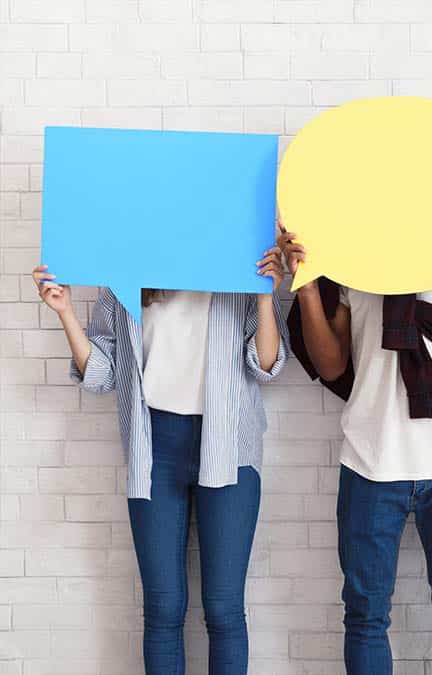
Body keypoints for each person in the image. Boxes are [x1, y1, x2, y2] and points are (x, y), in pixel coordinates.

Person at [279, 221, 432, 674]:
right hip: (371, 462)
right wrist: (308, 288)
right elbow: (332, 365)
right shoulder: (351, 254)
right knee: (366, 618)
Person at [30, 249, 288, 675]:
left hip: (228, 447)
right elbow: (102, 372)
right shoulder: (127, 274)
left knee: (224, 610)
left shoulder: (240, 266)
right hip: (153, 449)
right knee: (163, 610)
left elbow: (265, 366)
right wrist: (65, 313)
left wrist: (264, 296)